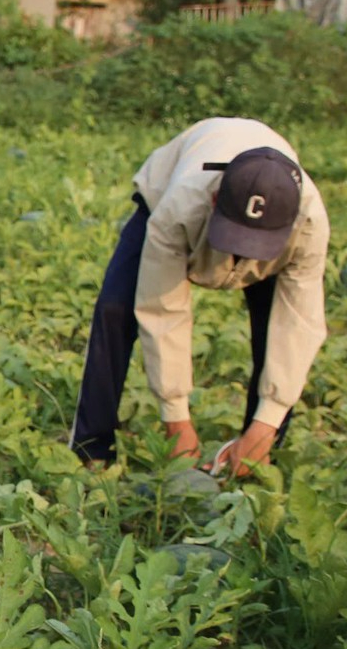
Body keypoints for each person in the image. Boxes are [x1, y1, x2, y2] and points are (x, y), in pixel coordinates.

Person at [71, 117, 329, 475]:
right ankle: (91, 448)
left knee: (274, 333)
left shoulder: (308, 225)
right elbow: (163, 310)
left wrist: (267, 421)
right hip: (169, 191)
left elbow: (298, 327)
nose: (244, 252)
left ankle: (258, 452)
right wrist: (176, 419)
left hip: (273, 218)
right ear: (213, 199)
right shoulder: (179, 204)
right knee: (116, 308)